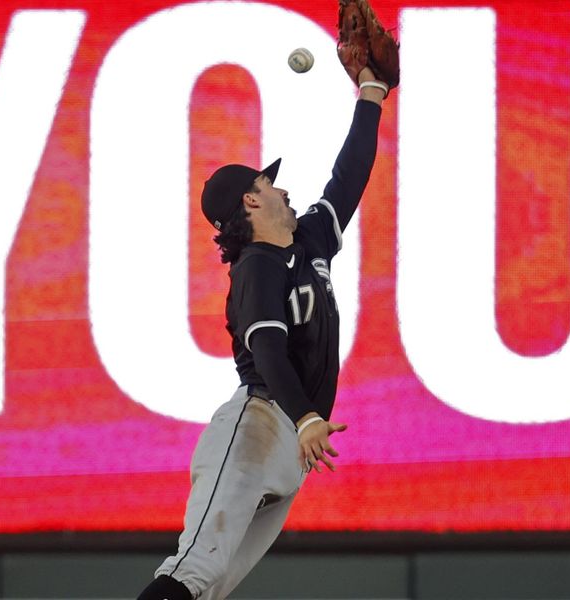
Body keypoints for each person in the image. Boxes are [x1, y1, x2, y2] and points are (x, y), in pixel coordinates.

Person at [136, 62, 391, 600]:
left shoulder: (307, 242)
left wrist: (372, 93)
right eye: (267, 183)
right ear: (251, 201)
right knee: (190, 574)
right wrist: (305, 419)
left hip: (288, 443)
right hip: (258, 424)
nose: (281, 189)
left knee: (207, 589)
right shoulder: (257, 266)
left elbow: (347, 180)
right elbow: (270, 350)